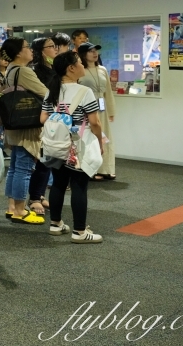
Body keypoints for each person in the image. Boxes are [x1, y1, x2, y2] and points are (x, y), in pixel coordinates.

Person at [42, 51, 105, 243]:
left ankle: (55, 223)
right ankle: (79, 232)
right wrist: (100, 142)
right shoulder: (84, 92)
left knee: (58, 184)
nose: (82, 66)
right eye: (79, 63)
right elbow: (95, 122)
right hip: (76, 146)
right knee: (79, 186)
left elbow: (43, 119)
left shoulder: (51, 90)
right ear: (71, 68)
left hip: (54, 144)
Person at [0, 38, 48, 224]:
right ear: (18, 52)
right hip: (28, 124)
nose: (31, 51)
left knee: (15, 167)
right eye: (27, 47)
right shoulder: (24, 71)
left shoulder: (10, 69)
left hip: (15, 123)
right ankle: (20, 210)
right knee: (24, 168)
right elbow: (46, 93)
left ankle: (13, 207)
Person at [77, 42, 118, 181]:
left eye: (96, 51)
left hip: (101, 107)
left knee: (105, 138)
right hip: (85, 108)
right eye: (91, 51)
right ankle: (90, 169)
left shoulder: (102, 69)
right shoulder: (79, 70)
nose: (95, 53)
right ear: (83, 54)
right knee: (90, 138)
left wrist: (111, 110)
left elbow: (108, 92)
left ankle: (106, 168)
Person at [28, 37, 57, 212]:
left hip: (54, 117)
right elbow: (42, 93)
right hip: (40, 118)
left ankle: (40, 194)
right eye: (51, 46)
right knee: (40, 160)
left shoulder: (53, 68)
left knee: (49, 159)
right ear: (41, 50)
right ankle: (33, 198)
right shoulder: (35, 70)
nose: (55, 49)